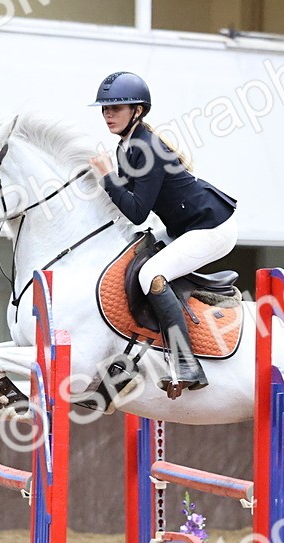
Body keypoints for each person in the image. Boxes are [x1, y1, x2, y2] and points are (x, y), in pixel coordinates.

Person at [87, 71, 238, 397]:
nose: (108, 115)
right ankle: (126, 365)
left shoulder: (146, 147)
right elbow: (128, 207)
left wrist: (107, 178)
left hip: (212, 228)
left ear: (137, 111)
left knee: (151, 275)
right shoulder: (127, 146)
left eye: (117, 108)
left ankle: (186, 364)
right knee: (132, 263)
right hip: (185, 228)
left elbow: (137, 211)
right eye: (105, 109)